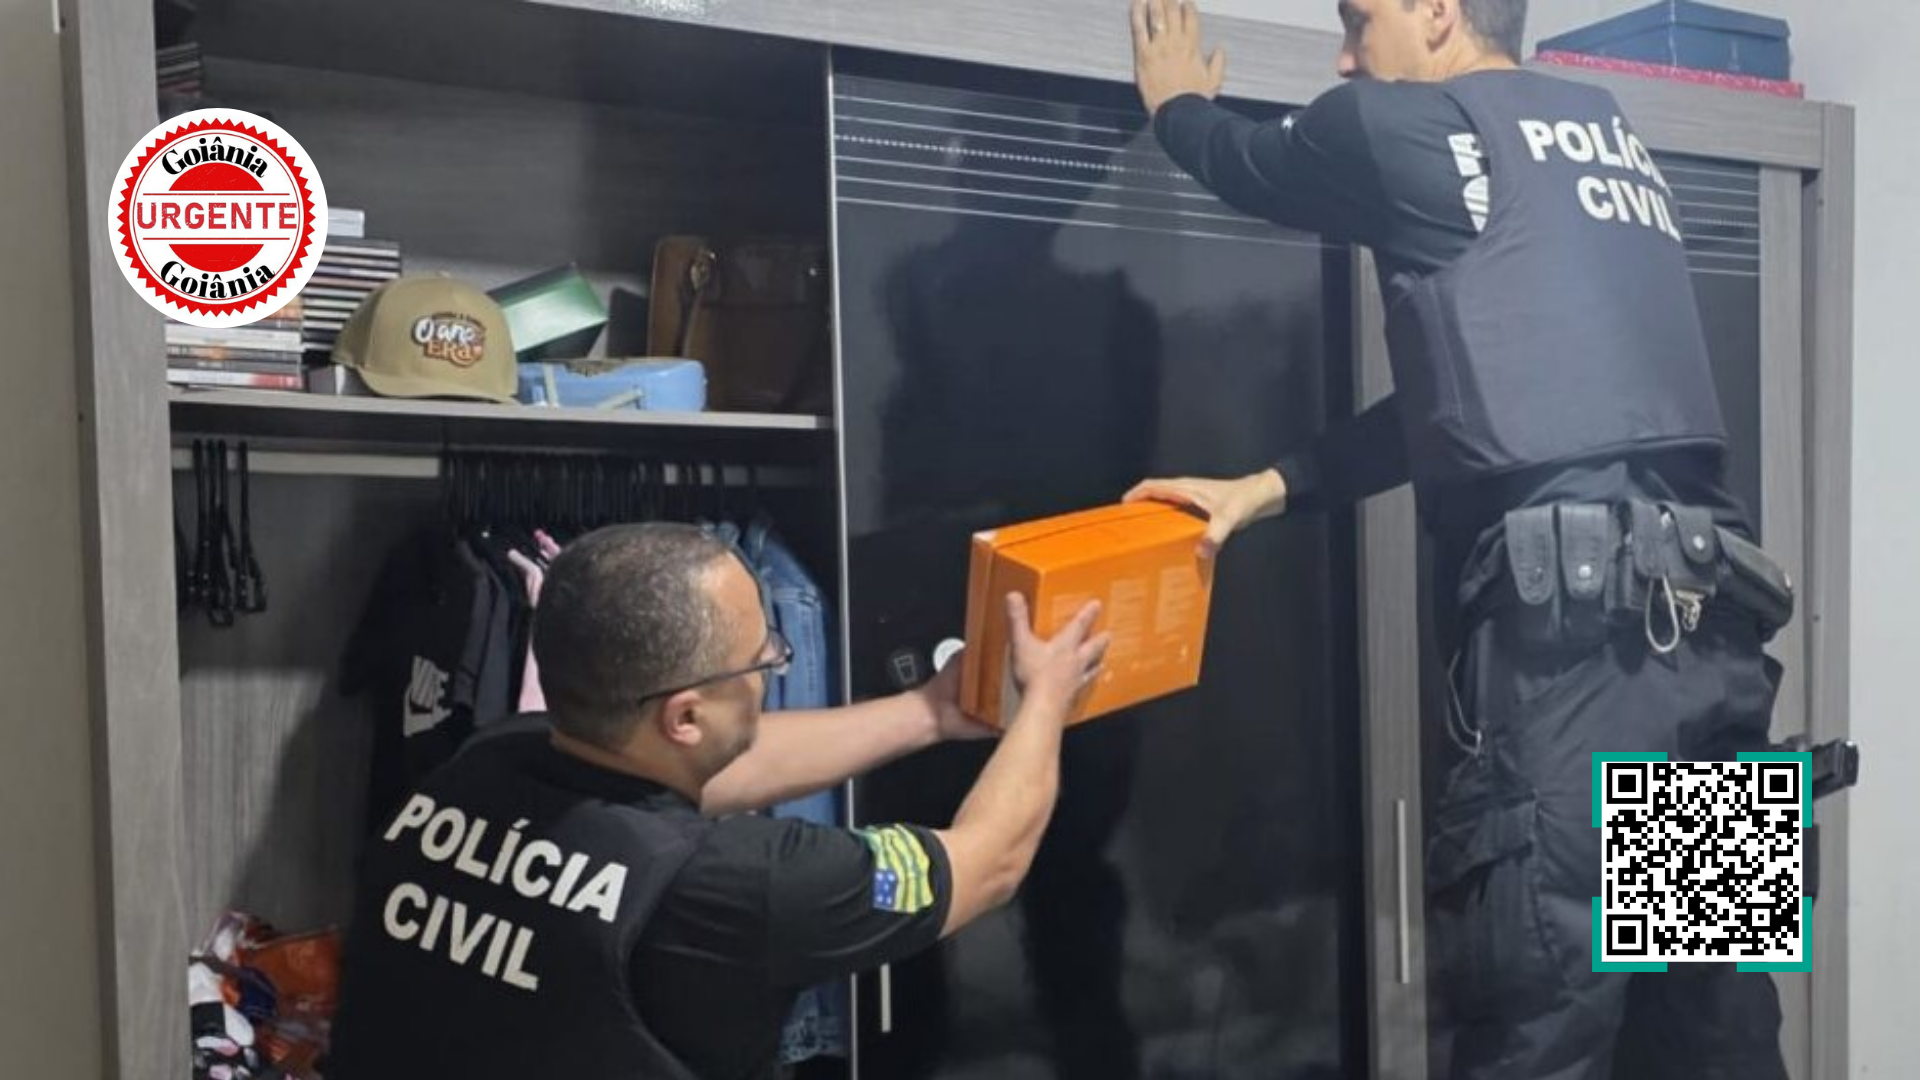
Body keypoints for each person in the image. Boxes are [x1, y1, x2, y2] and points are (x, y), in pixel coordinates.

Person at [1126, 1, 1794, 1077]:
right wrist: (1268, 487)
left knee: (1540, 1037)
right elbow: (1476, 401)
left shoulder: (1393, 127)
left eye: (1360, 20)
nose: (1347, 56)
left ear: (1436, 11)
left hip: (1574, 674)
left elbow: (1247, 166)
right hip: (1705, 654)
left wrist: (1176, 110)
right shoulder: (1604, 136)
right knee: (1713, 1040)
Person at [326, 522, 1109, 1079]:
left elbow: (728, 764)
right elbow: (989, 862)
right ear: (685, 717)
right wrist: (1045, 700)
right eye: (764, 660)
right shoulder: (739, 886)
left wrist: (928, 713)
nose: (773, 670)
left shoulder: (488, 759)